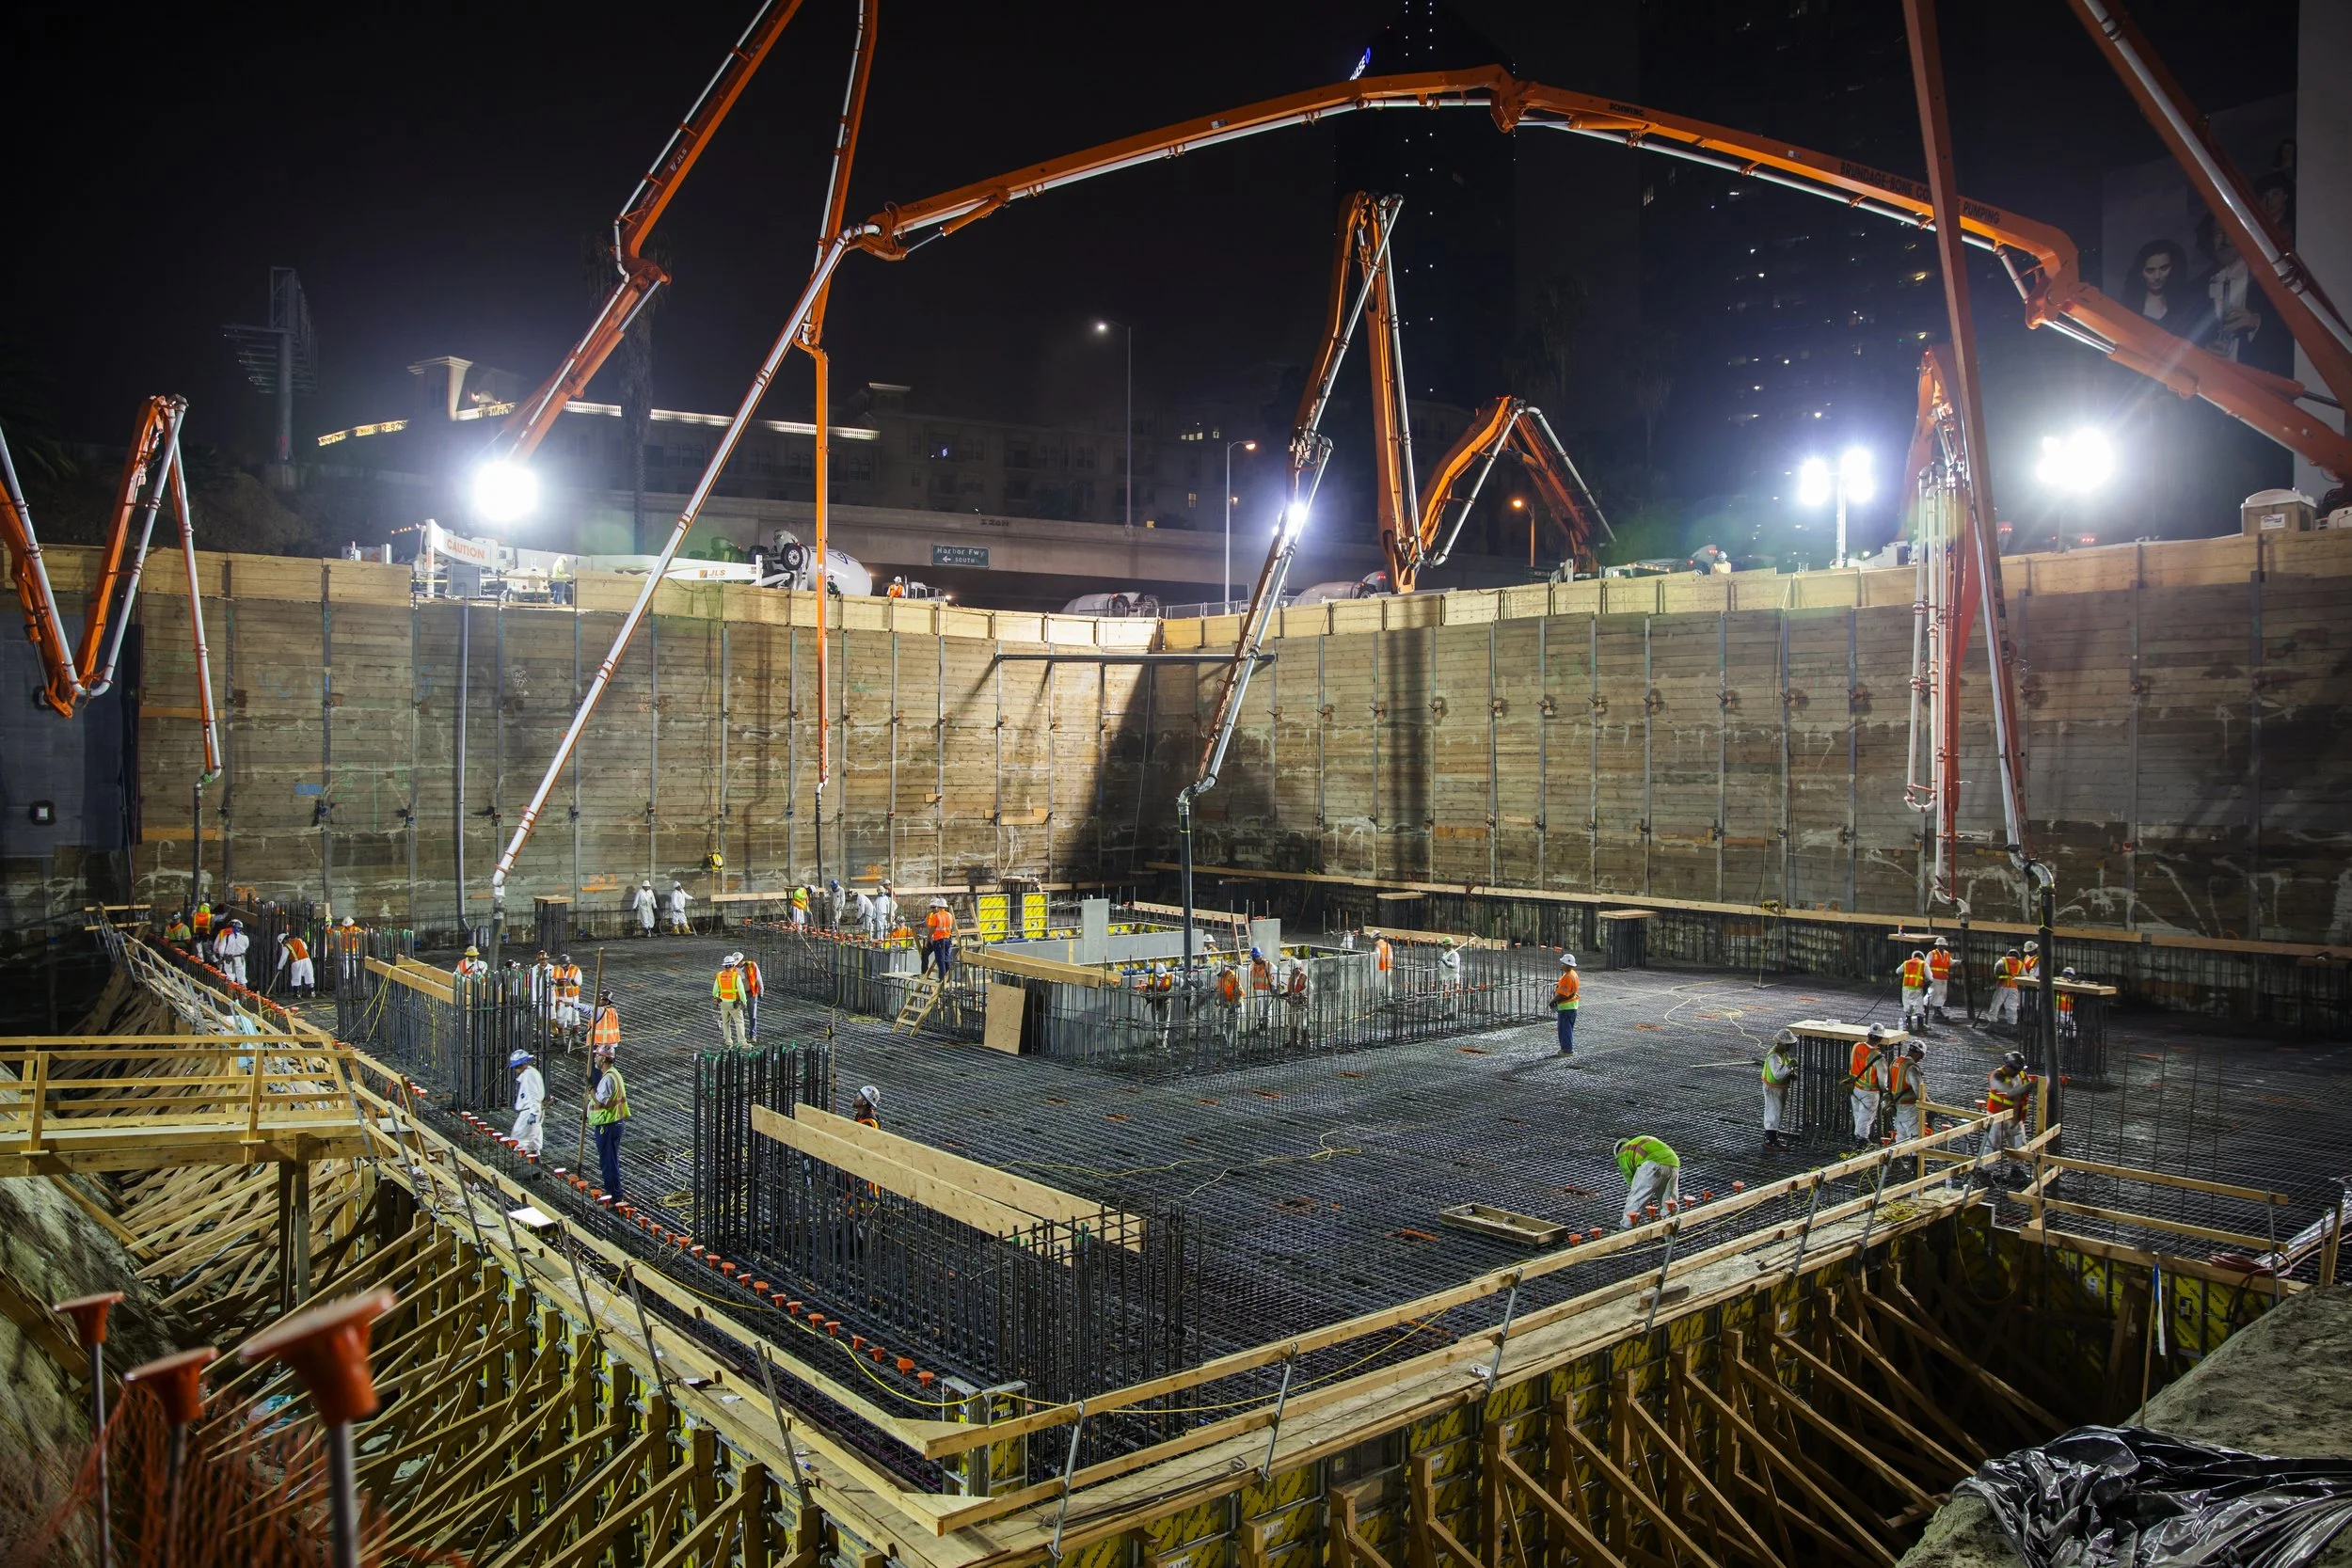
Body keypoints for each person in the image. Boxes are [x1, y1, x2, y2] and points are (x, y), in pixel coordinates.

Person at [588, 1032, 629, 1198]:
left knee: (608, 1162)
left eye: (597, 1056)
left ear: (604, 1059)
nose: (595, 1059)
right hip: (612, 1124)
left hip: (608, 1125)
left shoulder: (608, 1079)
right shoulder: (613, 1074)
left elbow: (601, 1102)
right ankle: (614, 1193)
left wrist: (591, 1091)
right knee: (610, 1160)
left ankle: (614, 1196)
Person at [1979, 1051, 2035, 1177]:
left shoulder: (2021, 1075)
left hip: (2016, 1116)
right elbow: (2009, 1091)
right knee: (1993, 1143)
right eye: (2015, 1069)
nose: (2017, 1072)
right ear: (2007, 1066)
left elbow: (2024, 1092)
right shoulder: (1996, 1076)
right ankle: (1985, 1172)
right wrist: (2026, 1088)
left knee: (2019, 1143)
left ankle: (2016, 1170)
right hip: (1997, 1117)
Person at [1615, 1134, 1681, 1228]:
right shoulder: (1636, 1142)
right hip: (1673, 1162)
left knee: (1635, 1199)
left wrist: (1644, 1192)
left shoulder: (1621, 1154)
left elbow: (1632, 1181)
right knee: (1669, 1203)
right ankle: (1670, 1232)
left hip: (1652, 1163)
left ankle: (1625, 1229)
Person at [1849, 1025, 1890, 1146]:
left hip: (1855, 1087)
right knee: (1866, 1118)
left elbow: (1852, 1065)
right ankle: (1862, 1141)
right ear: (1880, 1039)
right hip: (1870, 1092)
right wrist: (1887, 1092)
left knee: (1858, 1116)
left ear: (1868, 1035)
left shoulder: (1856, 1046)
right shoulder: (1878, 1058)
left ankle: (1858, 1138)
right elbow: (1883, 1082)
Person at [1761, 1030, 1798, 1150]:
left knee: (1777, 1113)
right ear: (1781, 1043)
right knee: (1773, 1113)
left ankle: (1773, 1138)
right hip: (1773, 1088)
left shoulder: (1783, 1054)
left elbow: (1783, 1072)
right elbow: (1777, 1075)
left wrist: (1790, 1074)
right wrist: (1789, 1067)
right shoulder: (1774, 1056)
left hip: (1779, 1088)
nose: (1789, 1047)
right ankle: (1769, 1140)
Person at [509, 1048, 546, 1158]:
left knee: (520, 1140)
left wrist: (533, 1113)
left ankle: (526, 1167)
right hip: (532, 1110)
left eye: (518, 1066)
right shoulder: (530, 1072)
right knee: (532, 1141)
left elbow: (533, 1096)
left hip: (529, 1112)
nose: (516, 1069)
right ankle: (535, 1166)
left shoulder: (529, 1076)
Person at [1888, 1041, 1926, 1142]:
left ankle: (1900, 1157)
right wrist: (1932, 1107)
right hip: (1910, 1108)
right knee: (1914, 1136)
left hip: (1897, 1105)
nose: (1919, 1060)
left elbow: (1889, 1084)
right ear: (1919, 1054)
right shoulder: (1911, 1068)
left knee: (1901, 1135)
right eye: (1920, 1058)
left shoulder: (1896, 1062)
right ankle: (1914, 1157)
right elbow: (1920, 1093)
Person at [1982, 946, 2024, 1030]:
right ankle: (2011, 1026)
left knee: (1995, 1005)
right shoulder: (2020, 964)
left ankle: (1991, 1024)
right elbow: (2024, 975)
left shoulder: (2003, 960)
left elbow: (1996, 971)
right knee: (2012, 1007)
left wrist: (1998, 977)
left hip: (2002, 986)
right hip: (2014, 988)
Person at [713, 953, 749, 1049]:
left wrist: (716, 998)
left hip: (723, 1003)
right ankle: (742, 1041)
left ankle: (728, 1041)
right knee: (739, 1022)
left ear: (724, 966)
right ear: (733, 965)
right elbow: (741, 991)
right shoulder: (736, 976)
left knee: (725, 1023)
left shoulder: (719, 975)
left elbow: (715, 990)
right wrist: (744, 1001)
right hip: (734, 1003)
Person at [1552, 953, 1581, 1056]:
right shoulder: (1573, 974)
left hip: (1566, 1007)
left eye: (1563, 964)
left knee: (1564, 1030)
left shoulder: (1568, 977)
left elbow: (1565, 994)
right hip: (1572, 1006)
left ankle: (1567, 1050)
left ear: (1567, 965)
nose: (1561, 965)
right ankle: (1567, 1049)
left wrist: (1553, 1000)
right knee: (1567, 1029)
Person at [553, 953, 583, 1037]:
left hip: (572, 997)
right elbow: (551, 980)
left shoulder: (575, 969)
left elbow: (579, 983)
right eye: (563, 966)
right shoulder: (555, 969)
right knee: (560, 1016)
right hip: (561, 996)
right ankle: (561, 1036)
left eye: (566, 966)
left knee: (574, 1016)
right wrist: (557, 982)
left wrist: (572, 981)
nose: (564, 967)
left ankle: (575, 1035)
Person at [278, 930, 315, 997]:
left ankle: (297, 994)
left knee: (296, 978)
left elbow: (284, 958)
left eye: (283, 942)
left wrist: (280, 967)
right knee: (309, 975)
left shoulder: (286, 946)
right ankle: (311, 992)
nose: (283, 944)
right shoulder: (299, 940)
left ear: (284, 940)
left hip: (296, 962)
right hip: (307, 960)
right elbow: (305, 947)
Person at [1899, 949, 1930, 1033]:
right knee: (1919, 1007)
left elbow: (1898, 971)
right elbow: (1930, 978)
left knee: (1907, 1007)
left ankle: (1908, 1024)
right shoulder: (1923, 964)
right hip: (1917, 989)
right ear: (1921, 957)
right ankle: (1920, 1026)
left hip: (1906, 988)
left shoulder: (1906, 963)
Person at [923, 897, 955, 976]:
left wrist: (927, 941)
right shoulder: (949, 915)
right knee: (946, 959)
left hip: (939, 940)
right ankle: (948, 977)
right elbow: (951, 928)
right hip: (948, 939)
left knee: (940, 960)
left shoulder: (936, 916)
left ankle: (942, 979)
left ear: (938, 906)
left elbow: (932, 930)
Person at [214, 919, 250, 986]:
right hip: (240, 959)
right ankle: (243, 994)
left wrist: (223, 956)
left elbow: (221, 949)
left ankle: (229, 993)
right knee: (241, 977)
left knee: (230, 977)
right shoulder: (245, 938)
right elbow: (246, 946)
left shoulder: (226, 937)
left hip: (229, 959)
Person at [1283, 960, 1310, 1046]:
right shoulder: (1291, 978)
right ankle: (1293, 1041)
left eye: (1295, 969)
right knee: (1292, 1023)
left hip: (1301, 1004)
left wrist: (1301, 994)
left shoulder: (1303, 977)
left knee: (1303, 1023)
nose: (1293, 971)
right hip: (1292, 1004)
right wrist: (1283, 995)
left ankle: (1306, 1041)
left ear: (1298, 968)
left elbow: (1310, 988)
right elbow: (1290, 991)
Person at [739, 949, 764, 1041]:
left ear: (742, 960)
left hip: (751, 994)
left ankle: (753, 1035)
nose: (737, 964)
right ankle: (742, 1036)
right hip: (740, 996)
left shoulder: (752, 965)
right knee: (740, 1017)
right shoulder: (733, 969)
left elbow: (759, 978)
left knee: (752, 1016)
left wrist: (761, 991)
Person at [1928, 937, 1954, 1022]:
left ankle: (1937, 1011)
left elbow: (1951, 962)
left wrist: (1959, 962)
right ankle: (1926, 1009)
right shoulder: (1932, 953)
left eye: (1942, 946)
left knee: (1942, 995)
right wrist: (1928, 976)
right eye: (1939, 945)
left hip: (1943, 978)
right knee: (1933, 993)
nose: (1941, 947)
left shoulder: (1947, 954)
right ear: (1937, 945)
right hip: (1935, 978)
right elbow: (1926, 965)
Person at [1248, 946, 1275, 1028]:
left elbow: (1278, 973)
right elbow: (1247, 972)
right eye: (1253, 957)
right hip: (1257, 991)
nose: (1254, 959)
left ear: (1259, 956)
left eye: (1255, 957)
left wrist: (1274, 986)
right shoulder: (1253, 965)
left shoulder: (1268, 964)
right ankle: (1262, 1026)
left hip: (1266, 991)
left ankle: (1267, 1028)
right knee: (1260, 1010)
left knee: (1267, 1010)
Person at [529, 950, 556, 1021]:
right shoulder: (533, 970)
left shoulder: (553, 969)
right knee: (540, 1015)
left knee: (551, 1014)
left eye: (544, 959)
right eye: (541, 960)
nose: (543, 961)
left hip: (550, 995)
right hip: (538, 995)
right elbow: (532, 984)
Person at [2056, 966, 2079, 1040]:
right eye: (2065, 976)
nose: (2066, 978)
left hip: (2068, 1014)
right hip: (2057, 1013)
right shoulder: (2057, 982)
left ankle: (2069, 1042)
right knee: (2056, 1032)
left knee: (2073, 1032)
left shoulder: (2073, 987)